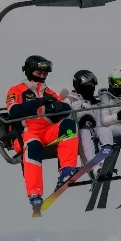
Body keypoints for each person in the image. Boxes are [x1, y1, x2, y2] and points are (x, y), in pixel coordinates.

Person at [5, 55, 79, 213]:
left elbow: (65, 109)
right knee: (33, 145)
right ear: (30, 71)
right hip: (26, 132)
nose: (42, 77)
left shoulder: (49, 92)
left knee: (68, 125)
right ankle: (34, 192)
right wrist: (38, 102)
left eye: (45, 74)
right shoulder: (16, 90)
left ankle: (66, 170)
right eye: (39, 74)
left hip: (46, 132)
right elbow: (14, 112)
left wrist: (56, 107)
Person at [65, 69, 114, 165]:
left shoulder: (95, 103)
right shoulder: (70, 100)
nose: (91, 88)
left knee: (105, 131)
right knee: (86, 132)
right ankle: (92, 163)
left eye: (92, 86)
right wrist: (79, 122)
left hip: (94, 130)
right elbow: (65, 120)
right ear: (78, 85)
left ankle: (105, 157)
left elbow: (101, 122)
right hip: (76, 132)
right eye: (87, 86)